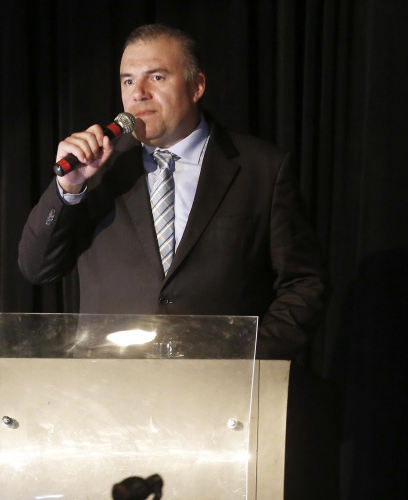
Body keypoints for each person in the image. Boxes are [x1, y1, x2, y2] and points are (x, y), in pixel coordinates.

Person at [18, 24, 326, 360]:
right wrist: (69, 187)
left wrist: (249, 358)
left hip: (219, 385)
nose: (139, 93)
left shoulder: (262, 169)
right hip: (110, 383)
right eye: (128, 81)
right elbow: (37, 268)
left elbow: (304, 285)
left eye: (157, 77)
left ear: (196, 86)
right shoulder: (100, 170)